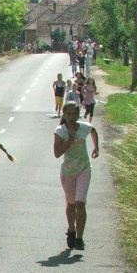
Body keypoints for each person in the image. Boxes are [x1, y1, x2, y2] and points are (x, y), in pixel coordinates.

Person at [53, 101, 100, 251]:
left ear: (78, 114)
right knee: (71, 204)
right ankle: (71, 229)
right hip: (68, 172)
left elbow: (93, 131)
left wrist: (96, 147)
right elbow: (57, 153)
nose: (72, 117)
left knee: (80, 203)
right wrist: (70, 140)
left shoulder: (84, 127)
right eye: (68, 114)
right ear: (64, 115)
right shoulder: (60, 131)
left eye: (74, 114)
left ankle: (79, 238)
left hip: (83, 169)